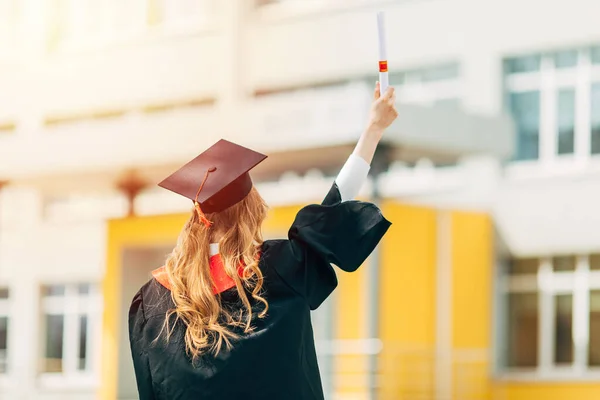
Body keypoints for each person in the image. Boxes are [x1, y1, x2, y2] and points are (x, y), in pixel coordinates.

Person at [128, 83, 398, 400]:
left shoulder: (151, 300)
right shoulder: (280, 268)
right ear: (252, 211)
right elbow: (334, 208)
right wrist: (374, 129)